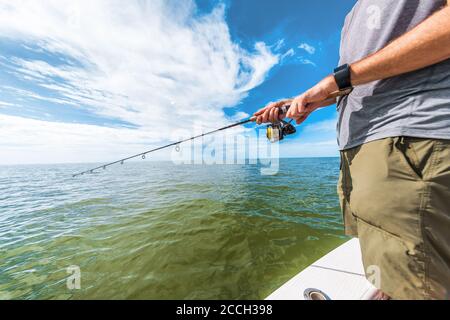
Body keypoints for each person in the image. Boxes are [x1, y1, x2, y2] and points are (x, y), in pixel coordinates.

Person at [254, 0, 450, 300]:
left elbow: (349, 77)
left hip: (407, 137)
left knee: (419, 284)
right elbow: (357, 82)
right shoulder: (353, 15)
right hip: (359, 148)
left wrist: (339, 78)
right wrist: (302, 99)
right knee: (389, 264)